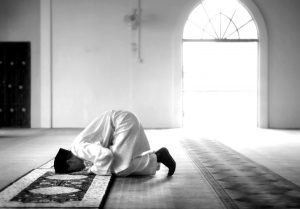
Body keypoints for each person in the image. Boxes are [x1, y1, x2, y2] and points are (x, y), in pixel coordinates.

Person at [54, 110, 176, 176]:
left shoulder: (79, 148)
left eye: (72, 170)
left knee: (119, 168)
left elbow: (105, 155)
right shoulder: (77, 147)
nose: (77, 171)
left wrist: (93, 169)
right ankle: (157, 157)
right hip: (124, 121)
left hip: (122, 123)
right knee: (122, 164)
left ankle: (159, 156)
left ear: (69, 162)